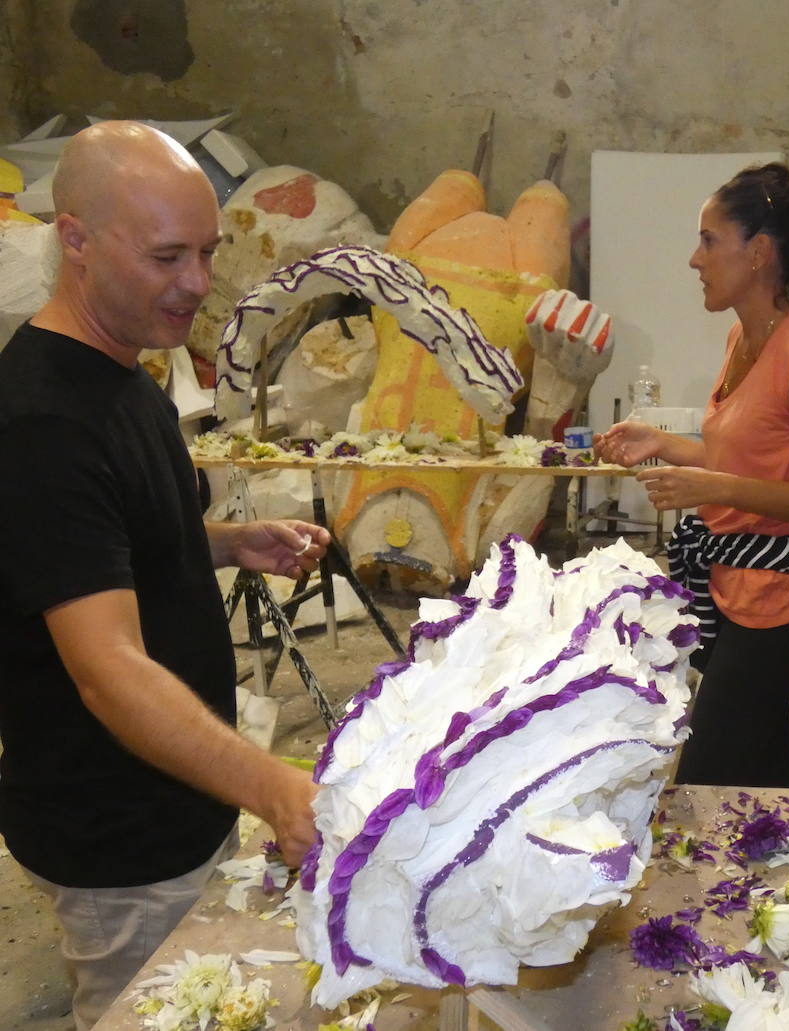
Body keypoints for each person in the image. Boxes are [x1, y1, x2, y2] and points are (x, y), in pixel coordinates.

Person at [0, 122, 327, 1031]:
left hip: (182, 801)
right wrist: (270, 783)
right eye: (167, 255)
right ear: (74, 240)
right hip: (119, 837)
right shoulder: (42, 424)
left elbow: (113, 542)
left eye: (208, 253)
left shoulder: (128, 374)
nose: (196, 283)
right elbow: (108, 673)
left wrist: (224, 541)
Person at [594, 162, 789, 787]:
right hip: (734, 587)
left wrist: (714, 489)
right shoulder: (742, 342)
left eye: (709, 240)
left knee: (708, 777)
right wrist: (662, 443)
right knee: (760, 771)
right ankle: (785, 877)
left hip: (782, 597)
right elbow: (748, 459)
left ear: (760, 252)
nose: (695, 259)